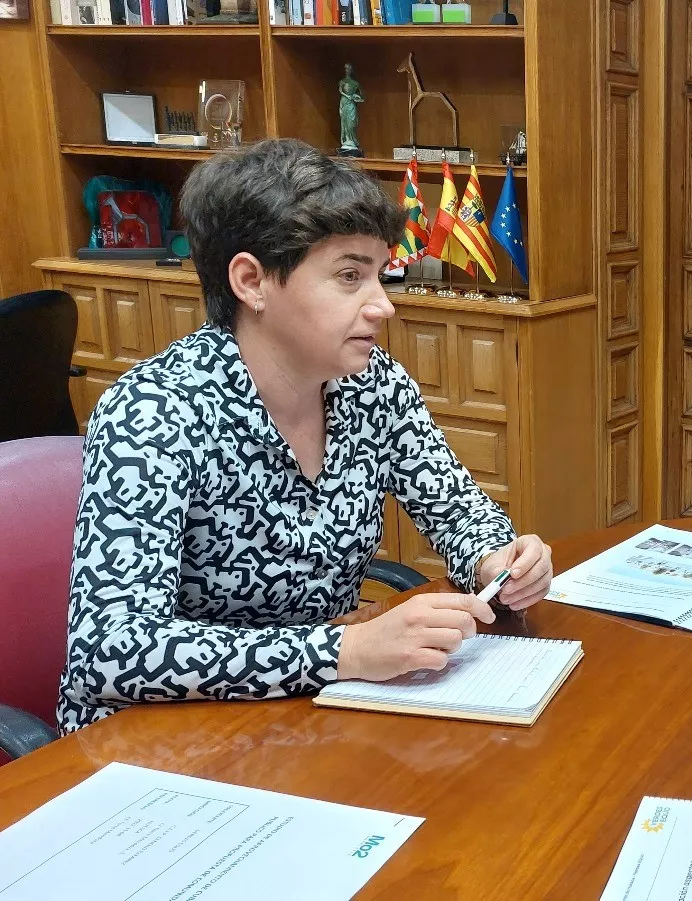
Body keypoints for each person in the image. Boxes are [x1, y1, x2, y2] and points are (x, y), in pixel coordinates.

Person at [57, 139, 552, 733]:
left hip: (311, 716)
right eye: (349, 277)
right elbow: (110, 652)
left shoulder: (373, 387)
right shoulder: (155, 411)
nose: (382, 306)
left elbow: (459, 513)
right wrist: (342, 652)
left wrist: (498, 559)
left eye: (380, 274)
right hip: (161, 742)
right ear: (252, 281)